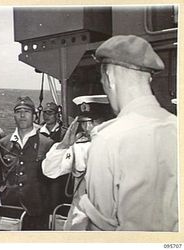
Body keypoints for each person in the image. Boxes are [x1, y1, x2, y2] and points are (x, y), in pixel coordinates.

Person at [79, 35, 178, 231]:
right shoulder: (176, 128)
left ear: (109, 79)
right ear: (149, 78)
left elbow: (100, 231)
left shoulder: (108, 140)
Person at [42, 95, 114, 230]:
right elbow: (49, 171)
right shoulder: (79, 147)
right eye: (83, 122)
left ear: (105, 122)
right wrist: (64, 145)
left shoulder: (118, 148)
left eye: (91, 122)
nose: (86, 127)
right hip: (78, 223)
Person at [0, 96, 54, 230]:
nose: (22, 115)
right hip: (8, 208)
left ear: (34, 116)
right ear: (14, 116)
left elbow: (54, 181)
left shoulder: (47, 144)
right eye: (18, 112)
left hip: (37, 212)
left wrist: (51, 210)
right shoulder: (4, 143)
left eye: (27, 111)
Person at [39, 102, 70, 210]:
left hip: (58, 178)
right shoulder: (37, 133)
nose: (47, 116)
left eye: (50, 113)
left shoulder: (65, 134)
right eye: (45, 113)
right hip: (40, 175)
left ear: (57, 115)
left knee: (55, 204)